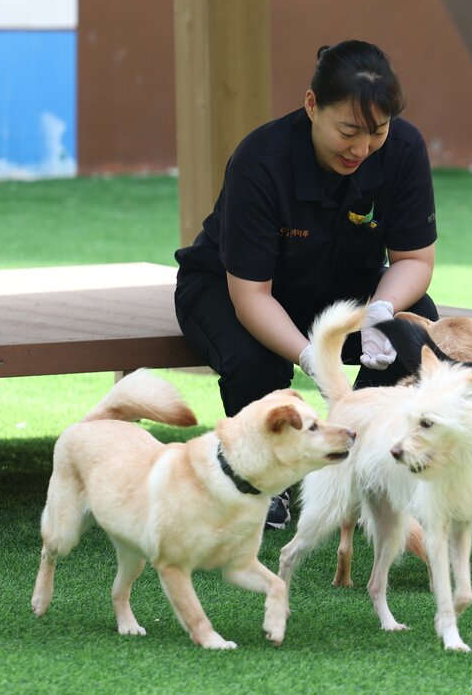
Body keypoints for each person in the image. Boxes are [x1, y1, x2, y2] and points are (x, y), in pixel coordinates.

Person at [175, 40, 439, 527]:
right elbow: (251, 294)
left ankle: (367, 456)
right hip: (234, 291)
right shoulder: (261, 160)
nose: (362, 149)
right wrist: (313, 358)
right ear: (312, 105)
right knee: (254, 362)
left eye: (377, 132)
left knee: (413, 329)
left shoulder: (403, 150)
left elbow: (414, 260)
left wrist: (381, 310)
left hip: (340, 291)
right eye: (349, 131)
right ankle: (260, 479)